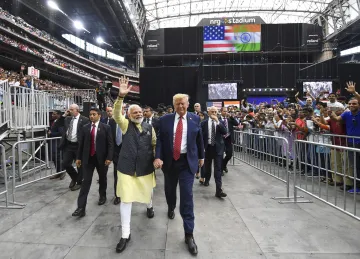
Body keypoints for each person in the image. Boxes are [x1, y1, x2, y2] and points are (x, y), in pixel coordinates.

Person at [154, 93, 205, 255]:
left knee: (187, 196)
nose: (180, 107)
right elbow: (160, 140)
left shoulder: (195, 119)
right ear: (173, 105)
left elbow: (199, 139)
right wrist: (158, 157)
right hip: (169, 163)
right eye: (177, 104)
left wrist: (201, 156)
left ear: (188, 103)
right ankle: (170, 206)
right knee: (169, 191)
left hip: (186, 163)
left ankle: (189, 234)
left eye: (183, 103)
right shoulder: (165, 120)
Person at [114, 77, 156, 253]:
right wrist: (121, 97)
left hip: (145, 168)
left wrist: (157, 157)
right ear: (129, 116)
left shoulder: (149, 127)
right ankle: (125, 234)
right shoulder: (125, 125)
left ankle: (149, 206)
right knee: (126, 199)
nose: (138, 114)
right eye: (135, 113)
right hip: (126, 168)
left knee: (148, 192)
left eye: (140, 112)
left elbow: (154, 144)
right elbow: (117, 114)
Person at [72, 108, 113, 217]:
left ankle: (102, 195)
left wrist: (109, 157)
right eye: (90, 114)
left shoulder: (106, 128)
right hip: (88, 159)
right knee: (86, 182)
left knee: (102, 178)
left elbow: (110, 144)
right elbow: (81, 144)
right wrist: (78, 158)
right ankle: (81, 207)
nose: (91, 116)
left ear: (99, 115)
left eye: (94, 114)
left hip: (102, 159)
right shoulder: (85, 128)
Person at [59, 104, 89, 191]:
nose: (70, 111)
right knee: (65, 163)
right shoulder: (67, 119)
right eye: (69, 109)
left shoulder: (85, 120)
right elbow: (58, 124)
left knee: (80, 165)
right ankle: (75, 177)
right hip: (68, 145)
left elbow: (86, 134)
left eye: (72, 109)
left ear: (77, 110)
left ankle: (79, 182)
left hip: (78, 146)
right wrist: (64, 115)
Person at [201, 106, 227, 197]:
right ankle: (207, 179)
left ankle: (218, 190)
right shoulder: (203, 123)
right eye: (212, 112)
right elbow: (200, 136)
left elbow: (225, 132)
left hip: (218, 148)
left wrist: (217, 121)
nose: (214, 113)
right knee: (207, 167)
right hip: (207, 148)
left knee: (218, 169)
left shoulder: (221, 122)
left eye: (215, 112)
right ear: (208, 113)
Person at [101, 106, 124, 205]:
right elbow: (109, 140)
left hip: (127, 153)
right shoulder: (111, 122)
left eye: (121, 108)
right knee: (116, 175)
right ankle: (117, 195)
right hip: (116, 153)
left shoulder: (129, 121)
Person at [219, 107, 239, 174]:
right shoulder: (218, 119)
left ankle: (223, 165)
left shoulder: (229, 119)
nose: (225, 112)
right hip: (221, 139)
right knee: (220, 154)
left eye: (226, 111)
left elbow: (236, 124)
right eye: (224, 111)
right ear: (221, 111)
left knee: (229, 154)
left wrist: (231, 117)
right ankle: (221, 169)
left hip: (228, 138)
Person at [48, 110, 65, 180]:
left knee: (59, 158)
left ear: (58, 115)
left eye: (54, 114)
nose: (52, 115)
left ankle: (62, 172)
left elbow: (61, 133)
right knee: (54, 158)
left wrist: (51, 133)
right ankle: (58, 172)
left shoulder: (60, 123)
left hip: (58, 142)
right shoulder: (53, 122)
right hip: (53, 142)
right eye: (52, 114)